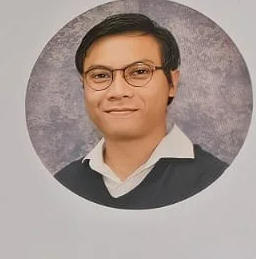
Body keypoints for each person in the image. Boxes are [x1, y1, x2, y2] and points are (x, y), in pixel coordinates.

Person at [51, 11, 227, 209]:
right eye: (100, 75)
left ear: (172, 84)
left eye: (139, 72)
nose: (117, 92)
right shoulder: (61, 185)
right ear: (83, 85)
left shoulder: (218, 181)